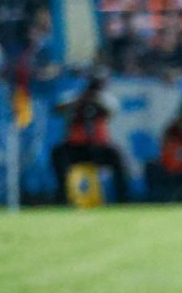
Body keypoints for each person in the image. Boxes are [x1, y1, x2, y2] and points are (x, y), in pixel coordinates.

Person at [50, 72, 128, 203]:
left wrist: (95, 100)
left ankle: (123, 198)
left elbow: (111, 110)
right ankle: (63, 196)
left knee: (117, 156)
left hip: (99, 147)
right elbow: (57, 108)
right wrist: (79, 102)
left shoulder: (105, 99)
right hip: (76, 147)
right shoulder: (76, 96)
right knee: (58, 153)